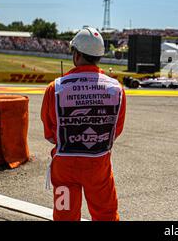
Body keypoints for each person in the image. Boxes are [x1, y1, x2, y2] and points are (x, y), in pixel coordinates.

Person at [41, 27, 126, 221]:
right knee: (106, 215)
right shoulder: (116, 89)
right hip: (99, 163)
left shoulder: (55, 87)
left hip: (65, 164)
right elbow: (116, 129)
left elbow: (49, 133)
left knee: (64, 216)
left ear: (77, 54)